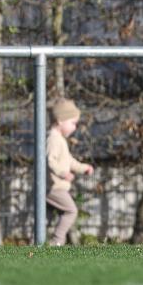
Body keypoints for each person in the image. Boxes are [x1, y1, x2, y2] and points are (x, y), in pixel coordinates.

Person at [46, 98, 93, 246]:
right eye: (72, 123)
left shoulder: (59, 139)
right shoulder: (53, 139)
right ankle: (57, 242)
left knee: (45, 219)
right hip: (54, 187)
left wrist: (82, 168)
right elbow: (49, 161)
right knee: (71, 211)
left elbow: (69, 160)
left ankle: (36, 243)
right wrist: (62, 173)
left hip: (56, 187)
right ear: (60, 120)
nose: (75, 127)